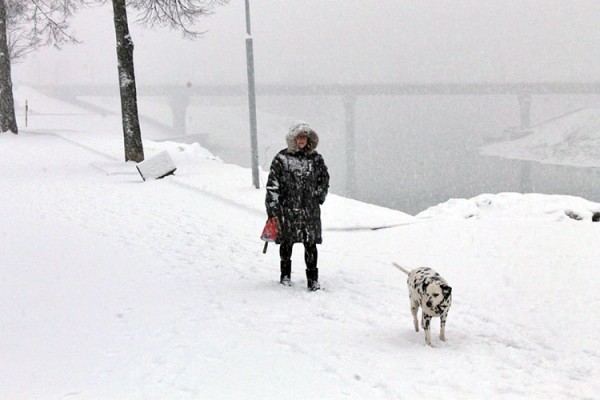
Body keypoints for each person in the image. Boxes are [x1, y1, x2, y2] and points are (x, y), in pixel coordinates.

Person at [265, 121, 330, 291]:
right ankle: (285, 276)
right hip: (287, 210)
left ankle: (313, 280)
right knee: (287, 243)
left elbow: (324, 180)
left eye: (304, 137)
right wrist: (273, 209)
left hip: (310, 211)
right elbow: (273, 185)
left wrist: (318, 197)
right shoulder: (282, 158)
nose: (302, 140)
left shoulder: (316, 159)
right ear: (293, 139)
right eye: (299, 137)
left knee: (310, 245)